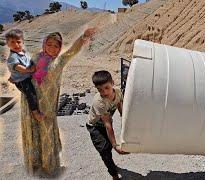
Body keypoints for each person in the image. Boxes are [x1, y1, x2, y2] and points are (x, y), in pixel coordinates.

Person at [20, 28, 96, 176]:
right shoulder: (35, 59)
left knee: (47, 135)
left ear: (60, 47)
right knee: (33, 133)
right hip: (31, 105)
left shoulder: (59, 62)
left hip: (47, 109)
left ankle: (49, 167)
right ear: (44, 44)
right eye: (49, 44)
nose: (52, 48)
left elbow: (71, 52)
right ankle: (35, 164)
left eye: (56, 45)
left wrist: (83, 37)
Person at [87, 70, 128, 180]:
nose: (104, 92)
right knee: (105, 150)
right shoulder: (99, 102)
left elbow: (119, 103)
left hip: (106, 123)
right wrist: (116, 146)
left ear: (112, 83)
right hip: (95, 127)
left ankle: (111, 164)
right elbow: (108, 125)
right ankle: (114, 175)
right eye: (100, 89)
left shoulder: (118, 92)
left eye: (106, 88)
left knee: (108, 146)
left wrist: (123, 117)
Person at [5, 29, 44, 121]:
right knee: (31, 94)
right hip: (22, 80)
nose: (16, 45)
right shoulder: (13, 57)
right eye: (12, 42)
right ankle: (35, 112)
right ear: (8, 44)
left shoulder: (24, 52)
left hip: (25, 76)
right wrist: (30, 69)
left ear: (23, 42)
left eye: (18, 42)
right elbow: (20, 68)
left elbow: (28, 60)